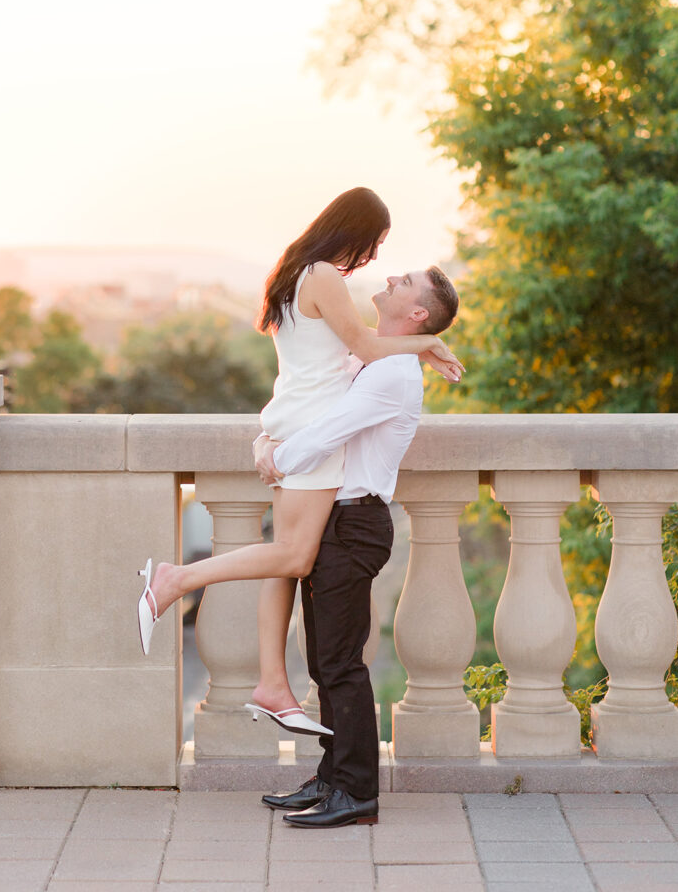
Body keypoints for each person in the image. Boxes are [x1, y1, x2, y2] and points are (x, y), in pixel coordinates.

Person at [137, 188, 462, 738]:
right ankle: (174, 580)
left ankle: (272, 684)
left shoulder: (295, 273)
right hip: (311, 431)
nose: (376, 260)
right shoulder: (325, 275)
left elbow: (332, 358)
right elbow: (360, 343)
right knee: (292, 555)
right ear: (354, 229)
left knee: (284, 565)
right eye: (376, 242)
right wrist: (427, 341)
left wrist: (272, 435)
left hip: (293, 420)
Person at [256, 265, 460, 828]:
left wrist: (276, 459)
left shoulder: (393, 374)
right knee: (326, 664)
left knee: (341, 665)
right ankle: (332, 777)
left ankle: (359, 794)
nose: (392, 275)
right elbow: (309, 406)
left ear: (417, 314)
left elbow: (329, 431)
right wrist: (268, 437)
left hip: (355, 525)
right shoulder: (372, 358)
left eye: (407, 281)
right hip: (333, 523)